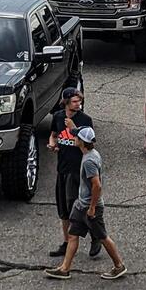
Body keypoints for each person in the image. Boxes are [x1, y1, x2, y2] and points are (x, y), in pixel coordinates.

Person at [45, 127, 127, 281]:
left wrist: (92, 208)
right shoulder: (90, 154)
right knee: (72, 235)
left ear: (82, 141)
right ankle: (64, 269)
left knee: (103, 237)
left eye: (76, 137)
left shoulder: (89, 161)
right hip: (81, 205)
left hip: (89, 207)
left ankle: (119, 266)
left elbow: (97, 185)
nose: (73, 138)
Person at [47, 89, 98, 259]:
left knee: (79, 209)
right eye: (75, 101)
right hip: (62, 169)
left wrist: (74, 128)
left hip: (78, 171)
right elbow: (54, 135)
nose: (78, 104)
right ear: (66, 102)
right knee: (63, 209)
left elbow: (89, 143)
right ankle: (66, 242)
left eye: (79, 101)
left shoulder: (85, 120)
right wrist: (52, 144)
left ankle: (95, 236)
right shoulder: (58, 117)